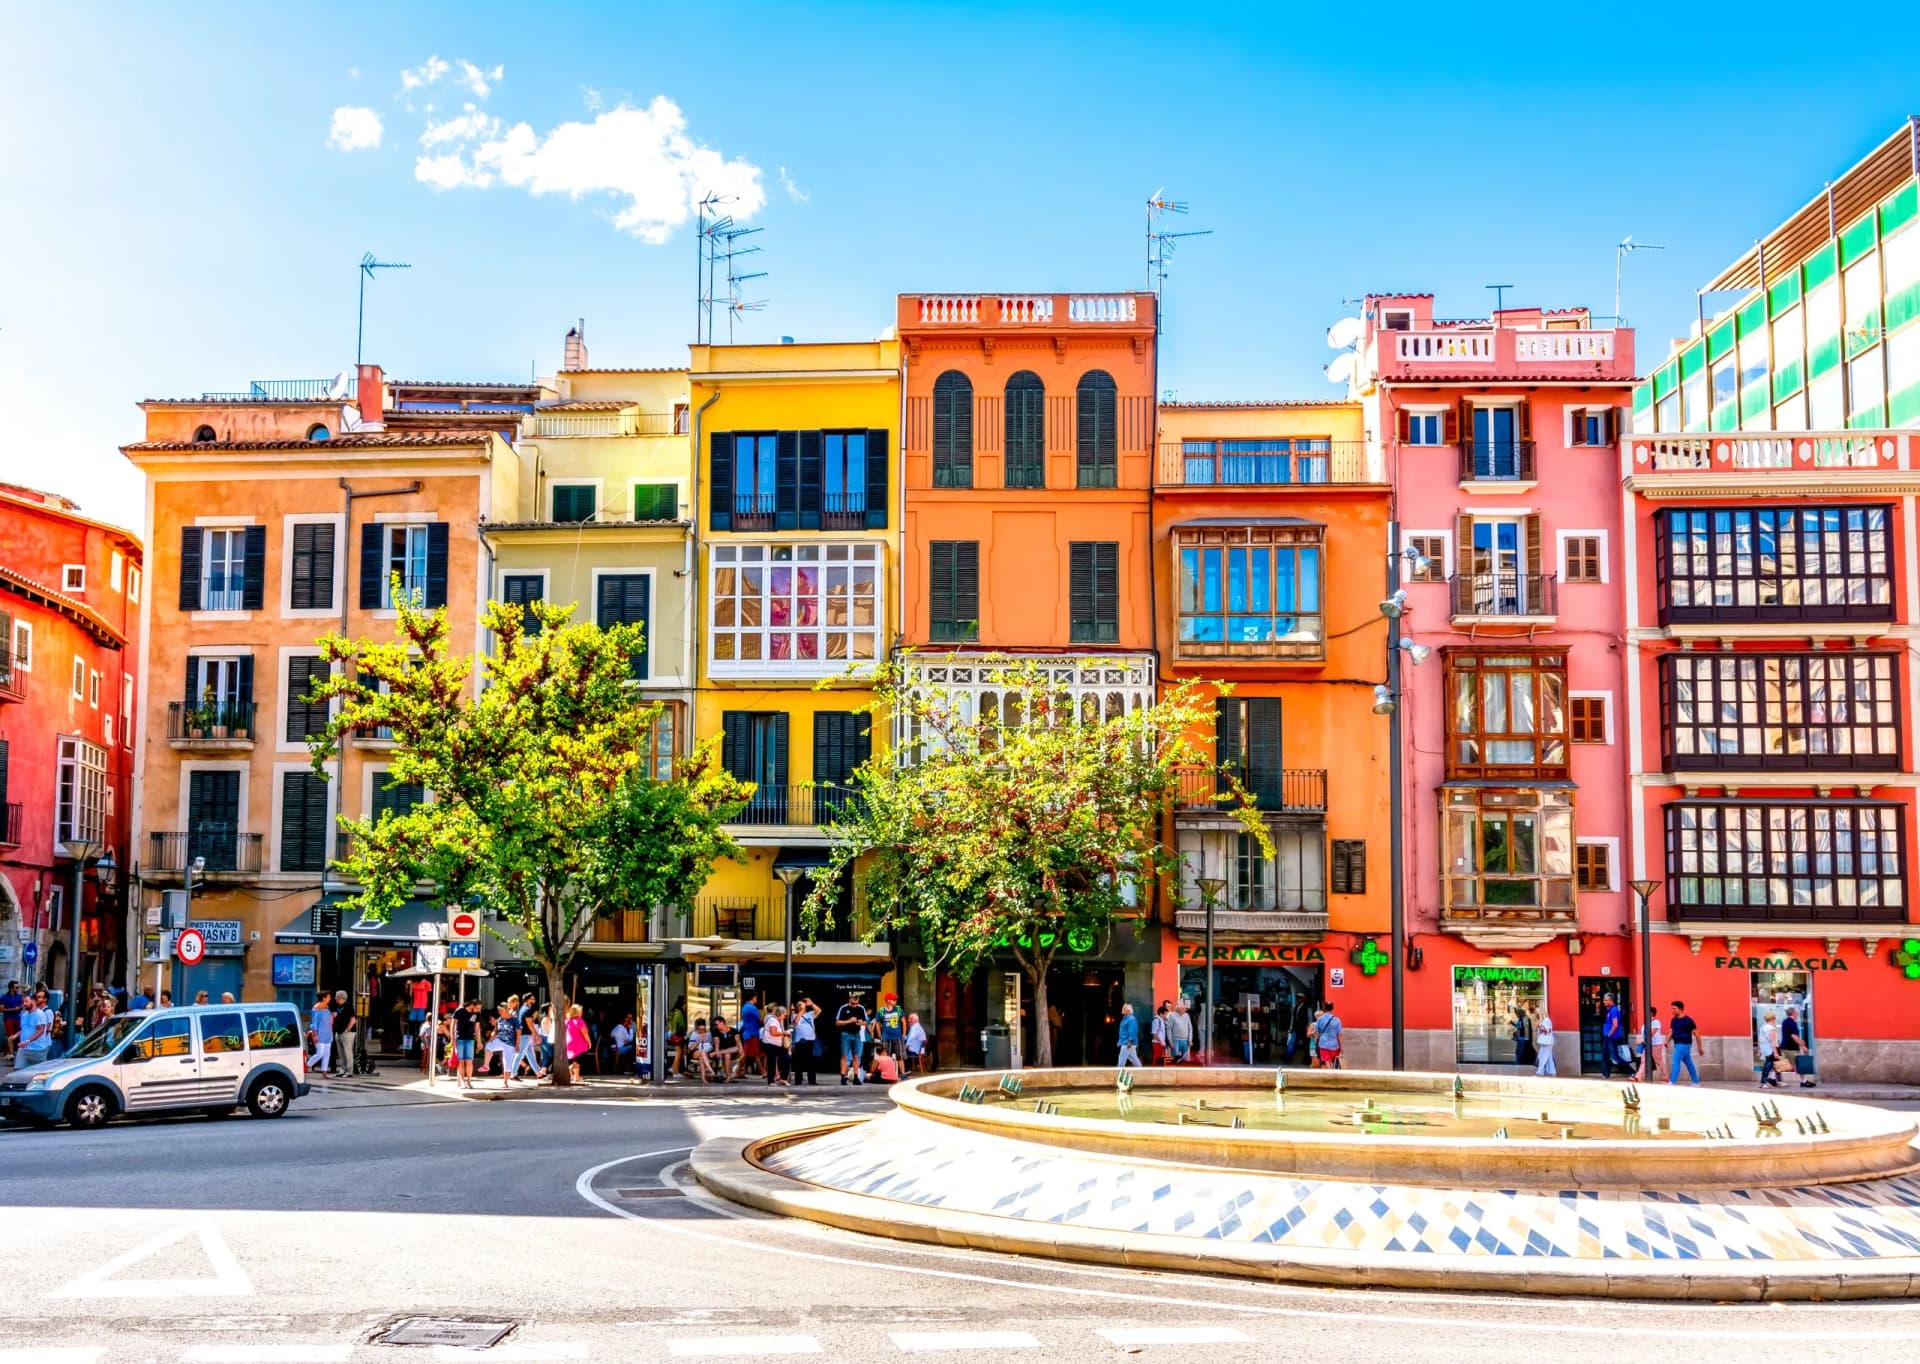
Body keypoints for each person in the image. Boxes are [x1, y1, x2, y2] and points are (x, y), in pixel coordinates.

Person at [836, 991, 870, 1085]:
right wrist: (849, 1021)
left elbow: (866, 1022)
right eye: (852, 1003)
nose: (854, 1005)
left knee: (856, 1056)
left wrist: (861, 1023)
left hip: (857, 1034)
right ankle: (843, 1076)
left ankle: (856, 1077)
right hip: (846, 1034)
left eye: (856, 1003)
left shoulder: (861, 1008)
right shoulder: (843, 1008)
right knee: (844, 1055)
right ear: (849, 1000)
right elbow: (837, 1022)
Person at [485, 1001, 520, 1089]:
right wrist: (491, 1038)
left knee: (507, 1063)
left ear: (505, 1010)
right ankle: (486, 1065)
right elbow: (495, 1030)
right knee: (488, 1046)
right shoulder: (500, 1019)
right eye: (498, 1010)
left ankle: (505, 1082)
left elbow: (518, 1033)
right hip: (500, 1040)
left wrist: (517, 1045)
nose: (499, 1012)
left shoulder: (514, 1019)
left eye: (500, 1010)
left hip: (510, 1044)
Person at [15, 989, 53, 1068]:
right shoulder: (25, 1014)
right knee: (18, 1070)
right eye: (36, 997)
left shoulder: (44, 1012)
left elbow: (45, 1030)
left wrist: (29, 1041)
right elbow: (25, 1029)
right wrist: (15, 1036)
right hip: (25, 1048)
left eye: (39, 997)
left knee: (37, 1071)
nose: (37, 998)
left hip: (38, 1047)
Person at [1782, 1006, 1817, 1088]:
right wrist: (1803, 1046)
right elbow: (1793, 1036)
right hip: (1791, 1048)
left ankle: (1772, 1078)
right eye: (1796, 1013)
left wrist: (1801, 1041)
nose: (1797, 1014)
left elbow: (1790, 1035)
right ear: (1793, 1013)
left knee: (1782, 1064)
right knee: (1799, 1065)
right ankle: (1803, 1081)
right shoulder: (1792, 1023)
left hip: (1785, 1046)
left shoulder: (1785, 1021)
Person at [1667, 1000, 1700, 1086]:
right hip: (1678, 1044)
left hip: (1684, 1044)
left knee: (1675, 1062)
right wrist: (1666, 1041)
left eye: (1674, 1009)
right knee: (1689, 1063)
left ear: (1680, 1009)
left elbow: (1697, 1035)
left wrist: (1700, 1047)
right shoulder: (1673, 1020)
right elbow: (1671, 1031)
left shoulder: (1688, 1020)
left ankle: (1672, 1082)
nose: (1672, 1011)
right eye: (1672, 1009)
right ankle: (1696, 1082)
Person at [1601, 993, 1630, 1079]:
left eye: (1606, 1000)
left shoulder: (1614, 1010)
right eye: (1604, 1000)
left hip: (1611, 1037)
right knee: (1605, 1056)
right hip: (1607, 1036)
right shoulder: (1609, 1010)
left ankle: (1631, 1072)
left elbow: (1615, 1024)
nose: (1604, 1002)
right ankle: (1606, 1074)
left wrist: (1610, 1034)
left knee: (1615, 1056)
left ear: (1611, 1000)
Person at [453, 998, 481, 1088]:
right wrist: (452, 1040)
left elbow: (477, 1028)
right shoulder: (460, 1011)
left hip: (470, 1039)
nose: (478, 1010)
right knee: (460, 1061)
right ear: (472, 1006)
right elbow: (453, 1025)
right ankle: (462, 1081)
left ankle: (468, 1081)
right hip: (459, 1038)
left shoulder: (477, 1014)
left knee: (469, 1061)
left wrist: (479, 1041)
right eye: (477, 1008)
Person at [791, 999, 818, 1085]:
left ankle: (812, 1080)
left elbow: (819, 1011)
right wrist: (801, 1011)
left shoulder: (810, 1014)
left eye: (801, 1004)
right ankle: (798, 1080)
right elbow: (795, 1022)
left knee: (811, 1061)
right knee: (798, 1061)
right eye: (798, 1005)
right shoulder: (794, 1015)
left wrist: (812, 1004)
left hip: (810, 1040)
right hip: (799, 1041)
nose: (800, 1006)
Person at [762, 1004, 791, 1086]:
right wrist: (784, 1033)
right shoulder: (773, 1020)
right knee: (772, 1061)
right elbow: (773, 1032)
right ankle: (771, 1081)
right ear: (781, 1014)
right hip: (770, 1044)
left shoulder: (780, 1021)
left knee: (786, 1058)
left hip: (777, 1044)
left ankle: (783, 1078)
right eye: (785, 1015)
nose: (785, 1017)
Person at [331, 990, 358, 1077]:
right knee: (341, 1052)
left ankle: (349, 1071)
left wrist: (347, 1030)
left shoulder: (348, 1006)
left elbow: (353, 1020)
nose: (335, 998)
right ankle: (342, 1070)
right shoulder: (337, 1006)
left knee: (347, 1052)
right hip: (338, 1032)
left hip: (347, 1032)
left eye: (336, 996)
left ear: (341, 997)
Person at [738, 992, 764, 1079]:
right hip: (753, 1033)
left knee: (754, 1053)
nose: (757, 999)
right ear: (753, 998)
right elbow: (761, 1020)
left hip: (747, 1032)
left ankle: (762, 1071)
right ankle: (737, 1071)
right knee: (748, 1053)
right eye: (756, 997)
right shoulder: (753, 1008)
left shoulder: (744, 1007)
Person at [307, 994, 335, 1074]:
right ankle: (307, 1065)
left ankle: (324, 1071)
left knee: (327, 1054)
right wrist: (315, 1035)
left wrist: (332, 1016)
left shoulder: (326, 1007)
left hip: (327, 1033)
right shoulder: (317, 1007)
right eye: (328, 997)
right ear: (324, 998)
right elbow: (314, 1023)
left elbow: (328, 1020)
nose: (330, 998)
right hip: (320, 1033)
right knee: (320, 1053)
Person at [565, 1004, 592, 1083]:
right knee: (578, 1061)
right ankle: (572, 1070)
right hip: (579, 1044)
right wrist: (589, 1041)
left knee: (575, 1060)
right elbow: (584, 1032)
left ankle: (576, 1077)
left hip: (569, 1043)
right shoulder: (580, 1021)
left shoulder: (568, 1021)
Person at [1758, 1010, 1785, 1089]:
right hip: (1770, 1049)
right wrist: (1775, 1052)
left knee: (1773, 1065)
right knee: (1768, 1065)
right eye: (1774, 1019)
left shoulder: (1762, 1028)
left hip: (1765, 1049)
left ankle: (1773, 1080)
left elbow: (1760, 1040)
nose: (1775, 1021)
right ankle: (1763, 1082)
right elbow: (1772, 1041)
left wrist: (1759, 1050)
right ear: (1773, 1019)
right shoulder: (1771, 1029)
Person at [1313, 1002, 1344, 1069]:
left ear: (1324, 1008)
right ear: (1332, 1008)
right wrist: (1341, 1047)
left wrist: (1316, 1043)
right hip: (1335, 1045)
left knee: (1327, 1061)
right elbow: (1340, 1035)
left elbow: (1316, 1033)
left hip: (1323, 1044)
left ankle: (1330, 1073)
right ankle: (1334, 1073)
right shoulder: (1337, 1020)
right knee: (1335, 1062)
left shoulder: (1320, 1019)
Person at [712, 1015, 743, 1080]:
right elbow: (716, 1042)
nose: (715, 1026)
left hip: (733, 1050)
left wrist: (741, 1048)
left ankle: (728, 1075)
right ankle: (728, 1076)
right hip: (722, 1051)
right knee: (727, 1054)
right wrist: (717, 1051)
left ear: (722, 1022)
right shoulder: (716, 1031)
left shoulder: (733, 1030)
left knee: (736, 1048)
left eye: (716, 1024)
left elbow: (738, 1040)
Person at [1164, 998, 1193, 1065]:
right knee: (1175, 1059)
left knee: (1185, 1060)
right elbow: (1169, 1029)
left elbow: (1190, 1028)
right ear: (1178, 1008)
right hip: (1175, 1040)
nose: (1184, 1010)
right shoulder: (1172, 1016)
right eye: (1183, 1008)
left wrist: (1190, 1040)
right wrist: (1170, 1042)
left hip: (1185, 1040)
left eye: (1185, 1009)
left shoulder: (1187, 1016)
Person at [877, 994, 906, 1062]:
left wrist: (904, 1033)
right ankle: (886, 1071)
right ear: (888, 1001)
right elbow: (877, 1023)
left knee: (900, 1057)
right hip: (886, 1037)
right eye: (894, 1000)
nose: (896, 1001)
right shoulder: (881, 1011)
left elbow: (903, 1021)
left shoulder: (898, 1009)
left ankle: (902, 1072)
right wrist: (879, 1035)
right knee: (885, 1056)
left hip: (898, 1036)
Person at [688, 1017, 718, 1082]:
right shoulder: (694, 1034)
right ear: (697, 1028)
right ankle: (711, 1070)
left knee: (702, 1058)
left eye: (703, 1029)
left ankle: (703, 1079)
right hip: (696, 1052)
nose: (702, 1031)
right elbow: (690, 1048)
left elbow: (712, 1045)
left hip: (707, 1052)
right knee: (702, 1053)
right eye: (700, 1029)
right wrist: (698, 1040)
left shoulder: (709, 1034)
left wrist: (707, 1042)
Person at [1, 980, 22, 1059]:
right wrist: (13, 1009)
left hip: (18, 1018)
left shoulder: (19, 996)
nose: (18, 989)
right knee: (10, 1036)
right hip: (9, 1018)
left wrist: (20, 1008)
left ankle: (10, 1052)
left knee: (18, 1036)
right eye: (16, 987)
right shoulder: (4, 997)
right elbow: (1, 1009)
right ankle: (11, 1054)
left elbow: (22, 1005)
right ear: (11, 988)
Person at [1116, 1002, 1141, 1068]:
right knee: (1133, 1058)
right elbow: (1123, 1032)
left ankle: (1119, 1073)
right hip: (1125, 1042)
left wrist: (1130, 1041)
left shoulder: (1131, 1019)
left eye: (1124, 1008)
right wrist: (1119, 1041)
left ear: (1128, 1010)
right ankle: (1141, 1070)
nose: (1122, 1009)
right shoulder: (1124, 1019)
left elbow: (1132, 1031)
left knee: (1122, 1058)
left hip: (1127, 1043)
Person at [1644, 1009, 1666, 1084]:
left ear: (1651, 1013)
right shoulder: (1647, 1022)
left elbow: (1652, 1033)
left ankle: (1665, 1075)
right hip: (1649, 1044)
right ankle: (1639, 1076)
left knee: (1658, 1060)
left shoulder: (1656, 1022)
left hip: (1656, 1044)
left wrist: (1643, 1040)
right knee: (1644, 1060)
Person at [1533, 1008, 1556, 1077]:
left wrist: (1539, 1026)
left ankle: (1540, 1072)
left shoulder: (1546, 1020)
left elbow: (1548, 1031)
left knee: (1542, 1056)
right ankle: (1552, 1072)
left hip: (1547, 1041)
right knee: (1549, 1057)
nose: (1535, 1014)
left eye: (1537, 1012)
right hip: (1547, 1041)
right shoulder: (1545, 1020)